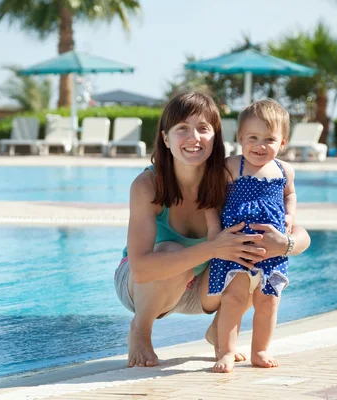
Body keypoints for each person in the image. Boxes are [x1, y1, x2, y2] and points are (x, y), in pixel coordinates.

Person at [113, 91, 310, 368]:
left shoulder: (231, 177)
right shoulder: (148, 185)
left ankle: (217, 331)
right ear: (166, 138)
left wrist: (284, 244)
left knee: (254, 259)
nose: (194, 138)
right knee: (174, 252)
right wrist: (214, 247)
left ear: (216, 136)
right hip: (143, 285)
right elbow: (142, 269)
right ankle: (141, 331)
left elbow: (301, 236)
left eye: (203, 128)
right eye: (182, 129)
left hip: (200, 286)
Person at [206, 99, 299, 373]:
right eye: (253, 138)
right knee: (233, 300)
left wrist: (290, 215)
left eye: (269, 139)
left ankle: (260, 350)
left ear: (283, 142)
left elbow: (290, 195)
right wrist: (214, 232)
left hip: (271, 252)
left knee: (268, 302)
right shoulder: (230, 167)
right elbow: (211, 200)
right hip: (237, 247)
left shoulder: (284, 170)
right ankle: (225, 351)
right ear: (241, 138)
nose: (260, 145)